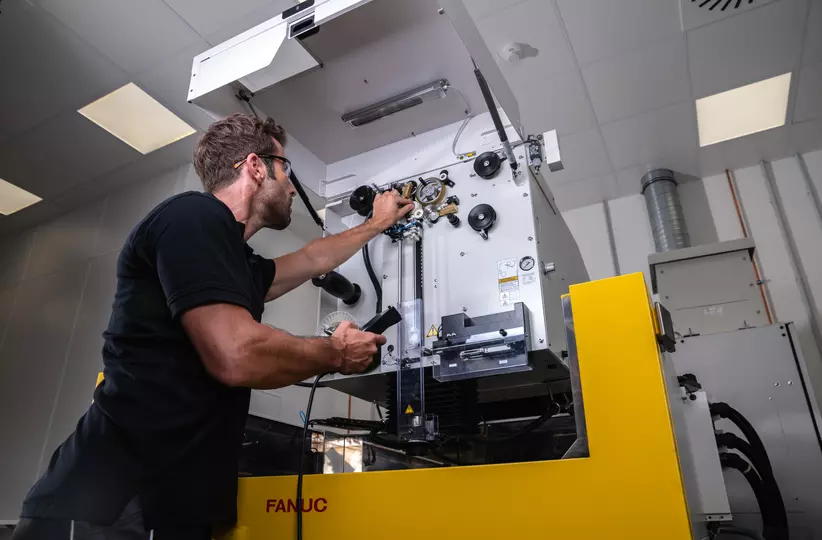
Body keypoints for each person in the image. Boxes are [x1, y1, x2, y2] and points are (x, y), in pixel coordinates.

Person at [13, 114, 414, 540]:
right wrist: (336, 353)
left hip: (168, 505)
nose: (294, 187)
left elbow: (312, 259)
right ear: (257, 167)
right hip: (114, 505)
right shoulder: (192, 216)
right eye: (288, 171)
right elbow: (236, 354)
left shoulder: (230, 257)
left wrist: (376, 224)